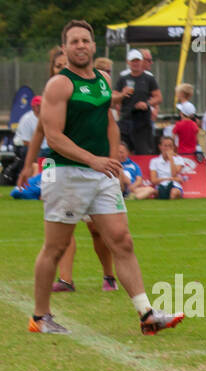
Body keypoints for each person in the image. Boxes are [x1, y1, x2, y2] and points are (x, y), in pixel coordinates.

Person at [30, 20, 181, 335]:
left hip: (100, 174)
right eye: (74, 42)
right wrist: (93, 160)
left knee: (122, 241)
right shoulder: (59, 84)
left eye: (85, 40)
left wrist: (113, 162)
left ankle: (147, 314)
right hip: (66, 173)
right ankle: (40, 318)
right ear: (65, 48)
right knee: (55, 248)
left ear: (94, 46)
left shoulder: (102, 80)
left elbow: (109, 122)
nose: (81, 46)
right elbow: (54, 137)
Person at [18, 49, 119, 295]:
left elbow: (109, 122)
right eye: (58, 65)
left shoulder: (91, 88)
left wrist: (112, 159)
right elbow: (40, 133)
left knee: (97, 228)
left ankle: (109, 275)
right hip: (57, 165)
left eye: (65, 63)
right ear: (52, 69)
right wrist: (26, 166)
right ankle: (66, 280)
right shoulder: (53, 95)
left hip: (92, 164)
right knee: (62, 225)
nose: (62, 67)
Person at [114, 50, 158, 154]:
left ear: (142, 61)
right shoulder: (123, 79)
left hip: (142, 122)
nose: (135, 63)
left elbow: (158, 97)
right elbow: (113, 98)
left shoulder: (149, 78)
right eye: (133, 61)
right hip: (126, 120)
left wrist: (147, 104)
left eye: (137, 60)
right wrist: (122, 95)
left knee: (143, 151)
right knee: (123, 151)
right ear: (128, 62)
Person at [147, 134, 194, 199]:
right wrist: (168, 179)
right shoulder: (154, 161)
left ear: (173, 147)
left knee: (173, 193)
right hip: (161, 186)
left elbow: (174, 174)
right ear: (160, 147)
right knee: (154, 191)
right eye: (165, 146)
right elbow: (153, 180)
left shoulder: (179, 159)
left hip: (175, 185)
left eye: (170, 146)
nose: (168, 148)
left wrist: (171, 159)